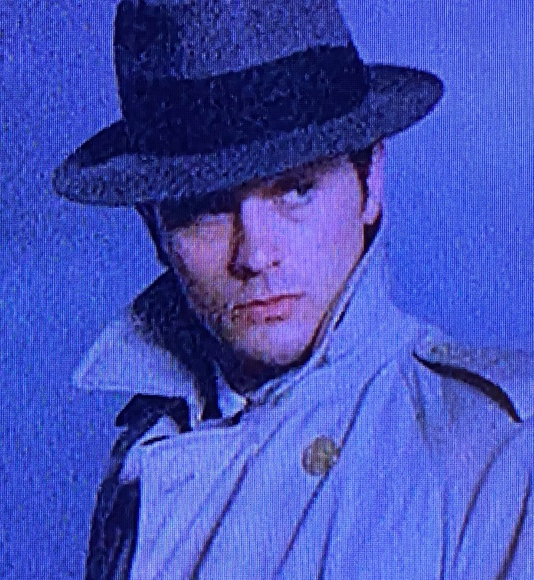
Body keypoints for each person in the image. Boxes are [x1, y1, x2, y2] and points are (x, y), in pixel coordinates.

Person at [53, 0, 533, 578]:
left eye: (297, 190)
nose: (255, 255)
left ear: (370, 182)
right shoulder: (145, 452)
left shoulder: (505, 444)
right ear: (154, 227)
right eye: (205, 207)